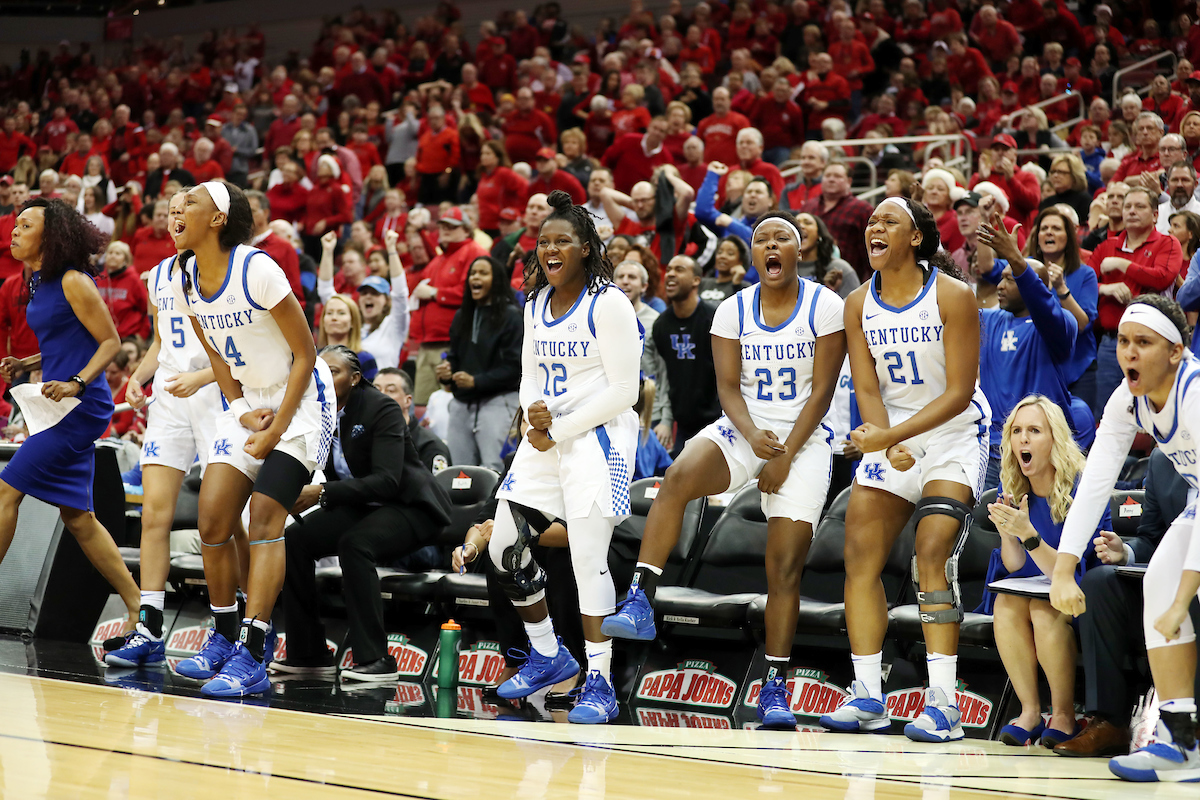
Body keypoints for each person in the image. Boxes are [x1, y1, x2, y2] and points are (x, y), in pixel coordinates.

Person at [603, 210, 846, 730]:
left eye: (783, 237)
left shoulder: (825, 304)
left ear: (799, 250)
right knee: (676, 480)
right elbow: (729, 389)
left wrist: (781, 456)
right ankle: (641, 598)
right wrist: (754, 438)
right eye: (762, 239)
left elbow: (823, 393)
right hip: (745, 427)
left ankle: (775, 684)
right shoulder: (731, 309)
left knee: (782, 570)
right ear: (754, 254)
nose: (771, 245)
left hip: (804, 439)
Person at [819, 196, 991, 742]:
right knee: (859, 556)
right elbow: (867, 386)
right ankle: (868, 692)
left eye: (888, 221)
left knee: (932, 549)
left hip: (952, 435)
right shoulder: (856, 303)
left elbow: (961, 392)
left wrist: (892, 437)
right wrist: (884, 442)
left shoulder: (953, 294)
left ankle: (945, 702)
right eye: (871, 221)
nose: (874, 227)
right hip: (892, 433)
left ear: (916, 237)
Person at [167, 181, 336, 698]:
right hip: (247, 403)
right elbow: (216, 355)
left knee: (265, 515)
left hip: (300, 398)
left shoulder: (257, 268)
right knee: (213, 519)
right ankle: (222, 637)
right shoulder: (183, 276)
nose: (177, 210)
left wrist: (277, 428)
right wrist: (241, 413)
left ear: (218, 218)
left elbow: (307, 353)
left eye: (190, 202)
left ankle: (255, 649)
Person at [487, 190, 641, 725]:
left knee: (585, 560)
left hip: (598, 438)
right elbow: (530, 370)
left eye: (562, 241)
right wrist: (533, 408)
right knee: (505, 546)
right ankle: (549, 653)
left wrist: (565, 427)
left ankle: (599, 681)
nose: (550, 249)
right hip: (546, 437)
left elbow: (626, 389)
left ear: (586, 248)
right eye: (544, 242)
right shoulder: (533, 303)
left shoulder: (610, 302)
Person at [1050, 295, 1200, 782]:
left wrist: (1184, 599)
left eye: (1144, 343)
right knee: (1156, 583)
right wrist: (1063, 568)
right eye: (1123, 341)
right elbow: (1094, 482)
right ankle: (1181, 741)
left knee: (1172, 598)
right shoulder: (1126, 399)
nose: (1129, 353)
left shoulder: (1194, 397)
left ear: (1176, 351)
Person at [105, 189, 238, 667]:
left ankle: (236, 621)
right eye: (171, 211)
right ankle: (150, 624)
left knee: (224, 522)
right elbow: (161, 342)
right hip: (169, 401)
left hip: (219, 398)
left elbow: (239, 347)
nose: (175, 216)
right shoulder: (158, 275)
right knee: (156, 514)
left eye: (185, 209)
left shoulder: (231, 271)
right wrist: (139, 380)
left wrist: (201, 377)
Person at [0, 198, 140, 642]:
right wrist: (29, 361)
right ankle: (140, 609)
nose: (15, 231)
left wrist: (78, 383)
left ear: (50, 235)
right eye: (15, 224)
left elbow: (110, 342)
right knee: (79, 518)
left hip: (80, 405)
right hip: (58, 399)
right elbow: (69, 340)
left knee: (7, 490)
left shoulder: (75, 281)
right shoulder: (40, 282)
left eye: (26, 225)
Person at [275, 346, 451, 680]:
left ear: (355, 378)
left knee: (356, 545)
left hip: (411, 507)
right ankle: (308, 654)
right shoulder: (320, 411)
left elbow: (387, 481)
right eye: (319, 370)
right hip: (364, 505)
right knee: (295, 539)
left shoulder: (380, 407)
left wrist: (322, 492)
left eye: (334, 371)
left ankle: (375, 660)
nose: (324, 376)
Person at [1053, 447, 1198, 757]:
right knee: (1099, 582)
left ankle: (1186, 728)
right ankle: (1110, 723)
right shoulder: (1162, 460)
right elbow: (1152, 538)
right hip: (1171, 589)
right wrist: (1126, 552)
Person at [988, 396, 1107, 748]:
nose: (1023, 439)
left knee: (1044, 607)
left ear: (1054, 439)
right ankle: (1029, 711)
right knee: (1006, 603)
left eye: (1034, 431)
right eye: (1017, 431)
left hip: (1084, 590)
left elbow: (1065, 572)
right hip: (1032, 586)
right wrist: (1008, 533)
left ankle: (1064, 715)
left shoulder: (1083, 486)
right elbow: (1013, 565)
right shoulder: (1010, 484)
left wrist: (1028, 535)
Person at [975, 207, 1089, 489]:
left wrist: (1016, 257)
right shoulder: (989, 320)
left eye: (1011, 278)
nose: (1000, 286)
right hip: (994, 454)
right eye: (1001, 278)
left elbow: (1044, 308)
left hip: (1044, 452)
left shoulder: (1061, 324)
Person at [1089, 187, 1182, 413]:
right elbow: (1083, 283)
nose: (1131, 211)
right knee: (1106, 411)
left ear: (1155, 215)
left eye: (1140, 206)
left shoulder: (1168, 243)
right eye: (1128, 206)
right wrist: (1106, 288)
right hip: (1111, 343)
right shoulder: (1106, 246)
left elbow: (1162, 277)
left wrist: (1123, 265)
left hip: (1153, 342)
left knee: (1154, 411)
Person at [436, 256, 523, 471]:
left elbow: (515, 368)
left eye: (483, 273)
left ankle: (494, 507)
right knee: (459, 471)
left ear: (497, 280)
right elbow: (454, 356)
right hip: (462, 404)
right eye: (473, 273)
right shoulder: (461, 316)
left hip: (499, 402)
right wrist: (447, 373)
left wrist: (476, 381)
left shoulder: (512, 317)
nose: (476, 277)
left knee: (493, 469)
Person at [649, 256, 723, 456]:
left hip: (717, 422)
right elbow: (664, 378)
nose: (671, 274)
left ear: (696, 280)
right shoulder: (661, 325)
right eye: (669, 269)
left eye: (679, 269)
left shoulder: (715, 319)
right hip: (682, 425)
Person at [801, 162, 873, 282]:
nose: (831, 179)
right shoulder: (808, 206)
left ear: (849, 182)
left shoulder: (862, 209)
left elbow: (869, 250)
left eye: (837, 176)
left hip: (849, 278)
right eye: (827, 175)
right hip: (810, 277)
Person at [372, 368, 451, 472]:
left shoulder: (429, 446)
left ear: (407, 400)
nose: (380, 395)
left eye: (390, 390)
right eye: (376, 390)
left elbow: (437, 486)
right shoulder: (362, 438)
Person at [795, 212, 860, 298]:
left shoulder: (840, 269)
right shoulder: (785, 270)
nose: (801, 226)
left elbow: (855, 306)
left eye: (807, 223)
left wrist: (831, 291)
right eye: (796, 224)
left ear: (819, 234)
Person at [699, 235, 749, 302]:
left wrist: (737, 285)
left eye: (730, 254)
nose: (722, 256)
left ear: (740, 261)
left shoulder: (744, 288)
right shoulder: (702, 283)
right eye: (719, 252)